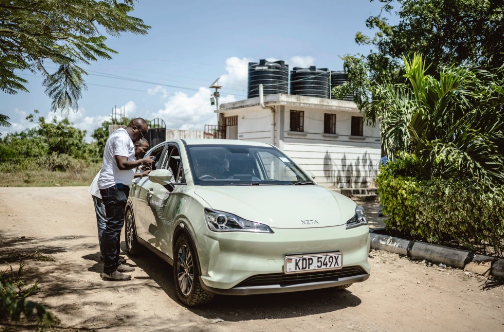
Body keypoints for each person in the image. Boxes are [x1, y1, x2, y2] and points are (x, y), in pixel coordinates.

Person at [98, 119, 155, 281]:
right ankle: (109, 270)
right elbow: (122, 164)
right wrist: (142, 161)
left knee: (116, 227)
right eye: (142, 133)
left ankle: (114, 263)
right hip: (114, 186)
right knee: (113, 227)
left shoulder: (121, 137)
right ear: (134, 128)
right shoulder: (122, 138)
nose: (141, 137)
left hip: (117, 185)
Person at [88, 138, 151, 262]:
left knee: (111, 224)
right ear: (135, 145)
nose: (145, 152)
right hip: (101, 190)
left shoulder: (132, 156)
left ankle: (111, 256)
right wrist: (142, 163)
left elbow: (125, 174)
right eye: (144, 149)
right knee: (105, 224)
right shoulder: (124, 154)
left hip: (109, 188)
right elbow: (122, 168)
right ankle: (107, 256)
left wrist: (143, 174)